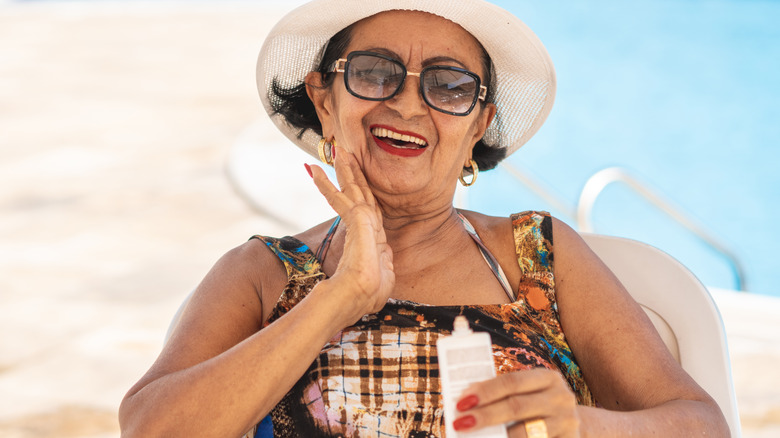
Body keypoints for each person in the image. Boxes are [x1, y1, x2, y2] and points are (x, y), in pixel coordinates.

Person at [119, 0, 730, 437]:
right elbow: (151, 430)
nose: (408, 102)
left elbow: (702, 425)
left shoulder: (538, 257)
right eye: (374, 72)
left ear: (478, 128)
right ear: (325, 101)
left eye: (449, 85)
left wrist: (579, 428)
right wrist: (340, 297)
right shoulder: (263, 273)